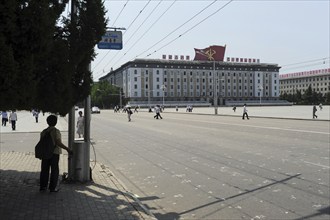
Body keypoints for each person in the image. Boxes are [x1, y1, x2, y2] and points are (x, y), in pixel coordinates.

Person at [39, 115, 72, 192]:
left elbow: (41, 144)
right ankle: (52, 187)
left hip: (45, 154)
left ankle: (43, 186)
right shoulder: (56, 131)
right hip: (54, 153)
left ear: (47, 122)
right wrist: (67, 149)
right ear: (56, 122)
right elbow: (58, 143)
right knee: (54, 170)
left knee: (44, 170)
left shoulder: (43, 132)